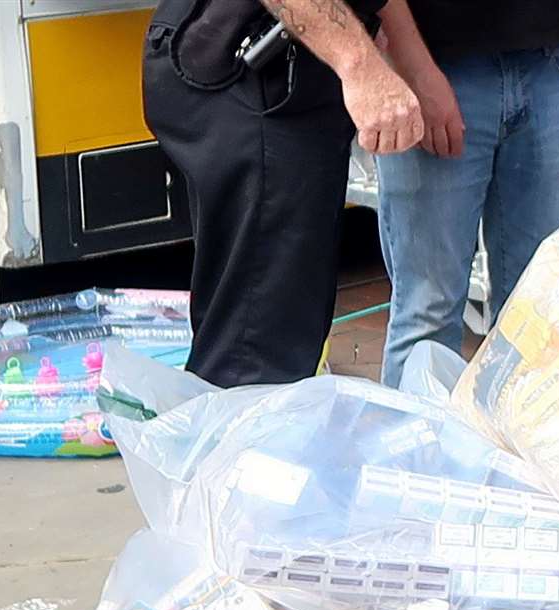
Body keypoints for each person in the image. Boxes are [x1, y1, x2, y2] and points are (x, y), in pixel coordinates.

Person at [143, 0, 424, 387]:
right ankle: (248, 441)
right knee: (256, 352)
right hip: (256, 72)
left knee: (266, 326)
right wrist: (361, 65)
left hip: (268, 69)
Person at [372, 0, 559, 387]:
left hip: (548, 63)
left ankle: (509, 445)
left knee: (538, 306)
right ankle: (419, 447)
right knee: (428, 314)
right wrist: (417, 72)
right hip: (436, 64)